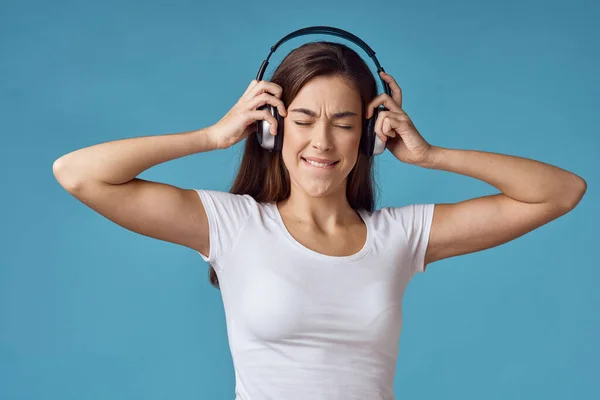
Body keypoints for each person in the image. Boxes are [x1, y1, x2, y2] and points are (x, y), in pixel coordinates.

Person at [53, 41, 586, 399]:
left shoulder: (398, 238)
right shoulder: (231, 225)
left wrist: (430, 155)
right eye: (303, 120)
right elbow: (79, 174)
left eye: (345, 123)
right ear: (271, 129)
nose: (322, 142)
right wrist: (212, 137)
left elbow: (560, 193)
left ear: (372, 136)